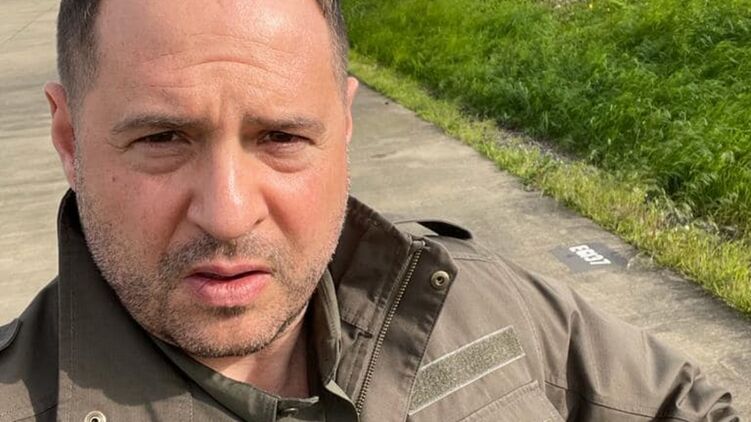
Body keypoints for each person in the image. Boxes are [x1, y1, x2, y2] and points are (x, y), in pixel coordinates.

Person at [0, 0, 739, 420]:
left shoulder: (478, 300)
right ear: (69, 140)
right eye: (163, 138)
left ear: (345, 126)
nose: (227, 215)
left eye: (282, 137)